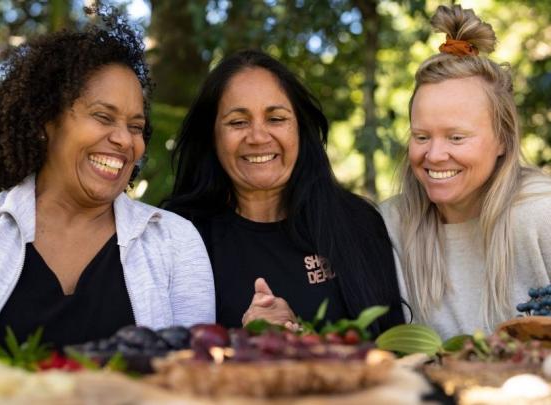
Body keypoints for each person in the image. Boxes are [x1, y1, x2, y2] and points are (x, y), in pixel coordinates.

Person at [0, 7, 214, 368]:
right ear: (47, 122)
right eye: (103, 117)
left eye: (136, 126)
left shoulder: (175, 242)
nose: (124, 140)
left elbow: (197, 382)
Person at [164, 49, 405, 333]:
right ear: (212, 136)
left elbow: (393, 350)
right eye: (238, 122)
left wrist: (297, 336)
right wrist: (251, 341)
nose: (258, 137)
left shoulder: (358, 223)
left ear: (300, 129)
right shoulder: (177, 236)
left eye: (276, 119)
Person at [380, 5, 551, 340]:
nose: (435, 155)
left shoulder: (540, 216)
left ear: (503, 140)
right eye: (422, 137)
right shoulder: (390, 224)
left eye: (456, 137)